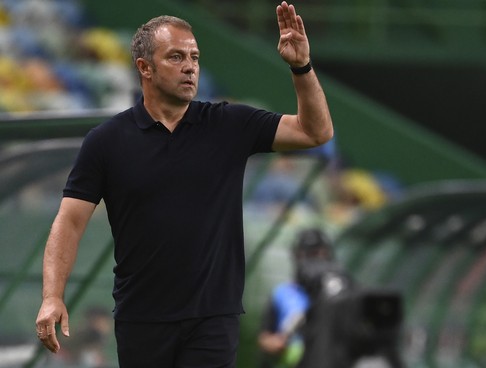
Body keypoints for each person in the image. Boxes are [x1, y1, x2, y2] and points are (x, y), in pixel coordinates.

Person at [34, 2, 333, 367]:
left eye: (194, 56)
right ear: (145, 67)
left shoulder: (228, 124)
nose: (190, 65)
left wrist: (301, 66)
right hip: (141, 320)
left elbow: (315, 131)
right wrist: (52, 296)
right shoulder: (107, 141)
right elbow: (69, 221)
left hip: (213, 317)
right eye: (176, 57)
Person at [257, 228, 347, 368]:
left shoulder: (339, 293)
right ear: (296, 255)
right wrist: (278, 343)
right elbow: (265, 337)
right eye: (307, 254)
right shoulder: (282, 293)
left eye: (318, 254)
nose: (313, 260)